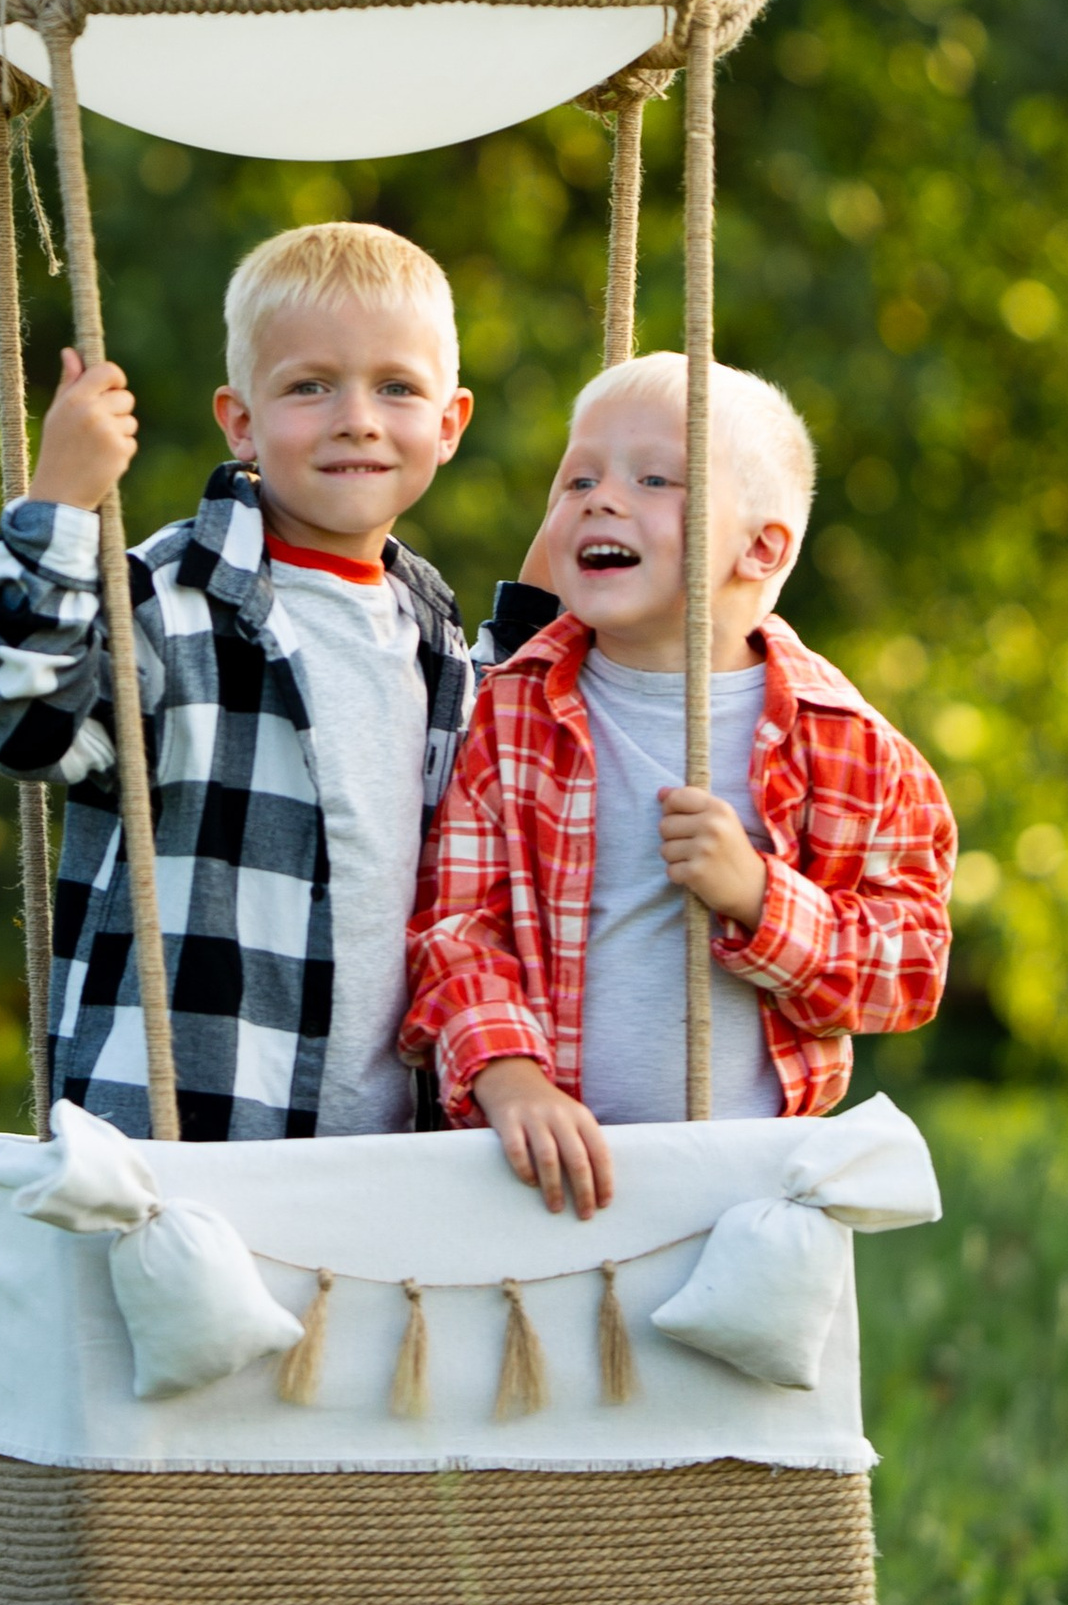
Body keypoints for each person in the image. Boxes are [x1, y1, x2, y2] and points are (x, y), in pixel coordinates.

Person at [404, 351, 956, 1220]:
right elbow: (457, 923)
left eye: (655, 478)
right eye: (577, 478)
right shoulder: (512, 710)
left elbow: (911, 968)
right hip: (529, 1171)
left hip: (747, 1189)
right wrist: (508, 1080)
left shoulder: (843, 742)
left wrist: (763, 900)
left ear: (761, 546)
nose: (599, 497)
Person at [0, 221, 476, 1141]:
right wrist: (58, 507)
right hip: (196, 1131)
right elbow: (25, 723)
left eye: (395, 388)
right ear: (240, 420)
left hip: (391, 1145)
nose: (356, 416)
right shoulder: (162, 603)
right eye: (309, 386)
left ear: (448, 425)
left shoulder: (435, 639)